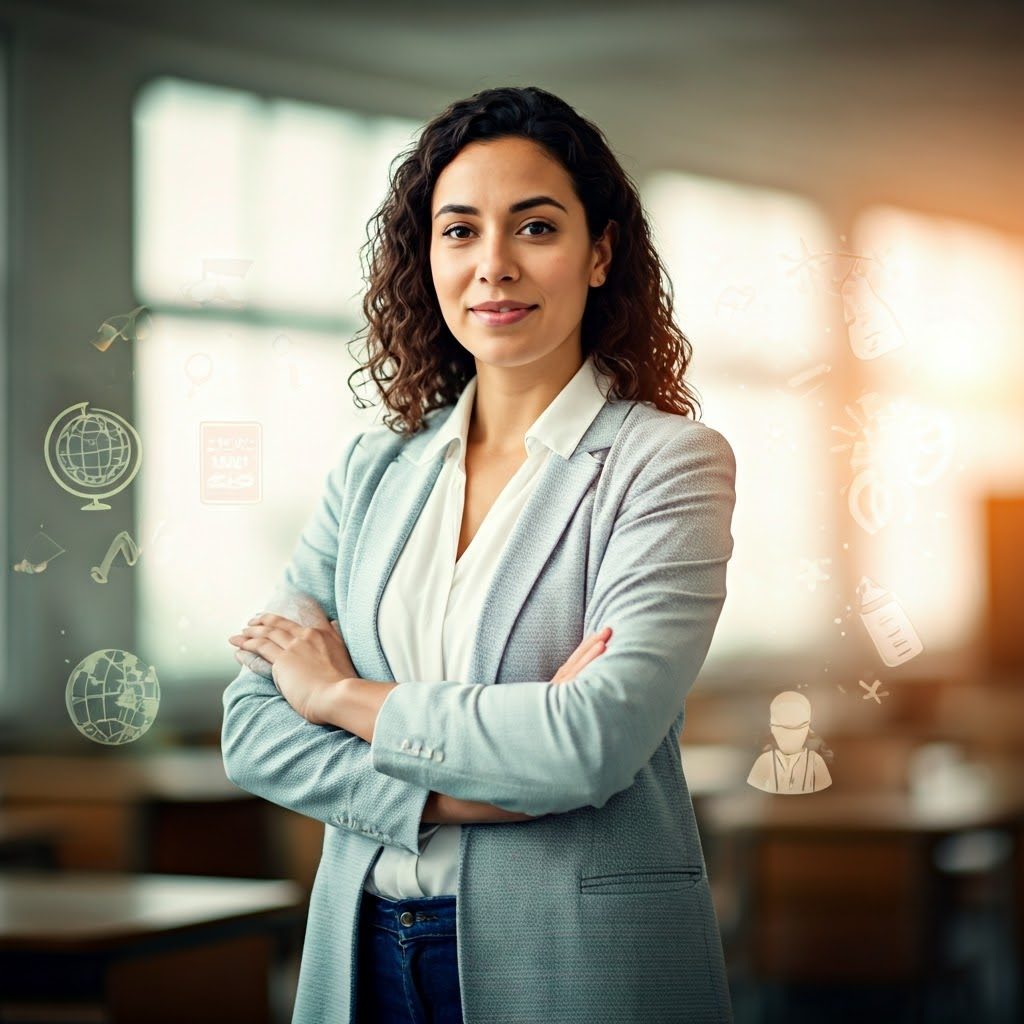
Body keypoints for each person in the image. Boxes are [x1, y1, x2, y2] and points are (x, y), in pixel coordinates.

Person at [223, 84, 737, 1024]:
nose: (492, 265)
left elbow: (587, 744)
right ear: (427, 258)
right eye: (459, 231)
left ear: (600, 253)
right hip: (362, 954)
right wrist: (464, 797)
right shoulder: (373, 469)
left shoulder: (667, 465)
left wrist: (341, 698)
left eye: (534, 228)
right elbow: (253, 730)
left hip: (571, 961)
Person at [746, 690, 833, 794]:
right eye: (781, 726)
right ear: (772, 728)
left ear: (808, 728)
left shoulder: (816, 762)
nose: (789, 734)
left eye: (798, 726)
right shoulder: (764, 762)